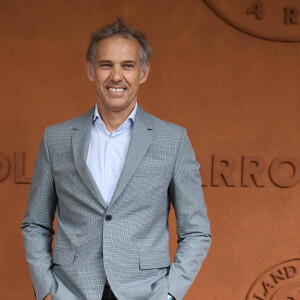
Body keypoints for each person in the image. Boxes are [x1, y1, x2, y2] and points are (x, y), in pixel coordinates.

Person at [21, 18, 211, 300]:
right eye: (106, 64)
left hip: (147, 292)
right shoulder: (56, 138)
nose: (116, 76)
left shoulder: (173, 140)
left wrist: (171, 294)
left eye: (128, 65)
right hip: (71, 291)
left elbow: (197, 232)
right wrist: (47, 290)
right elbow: (35, 224)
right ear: (90, 70)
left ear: (143, 72)